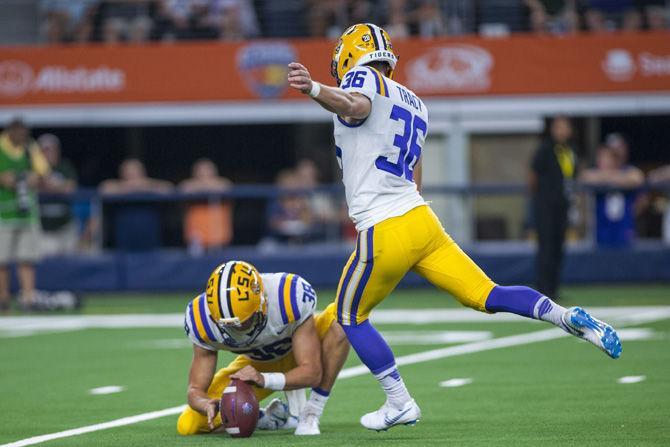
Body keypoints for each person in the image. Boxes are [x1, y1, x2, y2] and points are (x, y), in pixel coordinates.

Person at [287, 23, 622, 432]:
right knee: (487, 294)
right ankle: (564, 316)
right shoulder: (415, 102)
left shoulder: (361, 78)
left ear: (350, 55)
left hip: (383, 225)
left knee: (349, 316)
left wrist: (314, 90)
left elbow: (355, 105)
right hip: (421, 219)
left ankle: (399, 401)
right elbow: (415, 175)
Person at [176, 260, 349, 436]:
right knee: (189, 425)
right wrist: (205, 403)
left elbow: (312, 373)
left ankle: (311, 412)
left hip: (305, 350)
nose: (239, 330)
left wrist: (264, 379)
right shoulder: (201, 320)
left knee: (343, 319)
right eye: (230, 326)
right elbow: (195, 390)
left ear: (262, 301)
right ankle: (267, 418)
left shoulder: (286, 296)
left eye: (246, 321)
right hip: (259, 365)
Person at [0, 119, 50, 311]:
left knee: (27, 258)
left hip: (26, 213)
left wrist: (32, 178)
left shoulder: (30, 148)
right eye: (19, 133)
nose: (22, 137)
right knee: (1, 260)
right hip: (3, 214)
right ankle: (3, 298)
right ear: (10, 132)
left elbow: (44, 174)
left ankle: (28, 298)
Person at [530, 116, 576, 299]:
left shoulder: (570, 150)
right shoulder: (545, 148)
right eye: (559, 127)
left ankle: (554, 287)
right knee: (546, 247)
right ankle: (543, 287)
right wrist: (538, 200)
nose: (562, 131)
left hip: (562, 205)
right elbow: (533, 175)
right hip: (546, 206)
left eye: (565, 127)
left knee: (559, 246)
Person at [580, 144, 644, 247]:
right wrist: (610, 177)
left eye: (606, 158)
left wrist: (612, 177)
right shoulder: (595, 174)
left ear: (614, 159)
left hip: (623, 233)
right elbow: (585, 177)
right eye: (600, 158)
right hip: (602, 234)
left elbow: (637, 178)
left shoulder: (626, 171)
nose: (602, 161)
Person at [179, 158, 233, 253]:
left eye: (208, 172)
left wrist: (206, 186)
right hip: (196, 242)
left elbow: (226, 186)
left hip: (220, 240)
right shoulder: (189, 186)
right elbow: (183, 188)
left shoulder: (223, 184)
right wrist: (204, 187)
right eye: (201, 173)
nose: (205, 176)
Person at [37, 134, 79, 256]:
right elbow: (32, 187)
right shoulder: (33, 168)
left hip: (65, 225)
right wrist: (57, 187)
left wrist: (48, 186)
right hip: (43, 228)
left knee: (69, 262)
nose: (49, 153)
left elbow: (71, 187)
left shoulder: (64, 166)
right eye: (45, 150)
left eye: (52, 150)